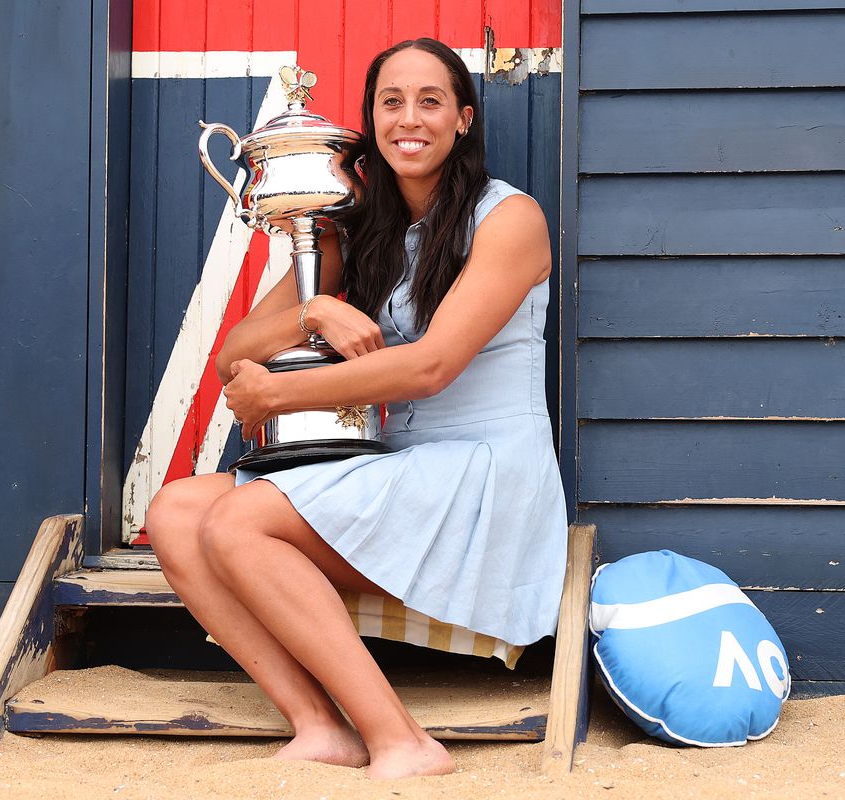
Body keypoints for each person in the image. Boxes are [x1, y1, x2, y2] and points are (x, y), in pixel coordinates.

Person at [144, 37, 568, 780]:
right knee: (177, 513)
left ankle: (402, 741)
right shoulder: (360, 227)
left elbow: (432, 367)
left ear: (464, 118)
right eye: (391, 101)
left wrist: (280, 391)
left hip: (480, 479)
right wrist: (315, 311)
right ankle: (318, 726)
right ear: (371, 120)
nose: (410, 119)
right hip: (390, 466)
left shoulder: (510, 220)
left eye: (430, 101)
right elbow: (233, 351)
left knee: (242, 522)